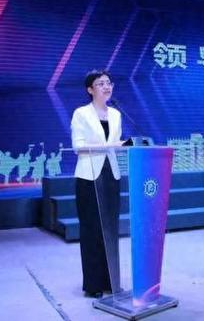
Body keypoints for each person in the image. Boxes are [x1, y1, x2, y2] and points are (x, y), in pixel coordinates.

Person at [71, 70, 123, 298]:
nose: (106, 87)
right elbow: (78, 146)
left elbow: (115, 143)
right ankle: (93, 284)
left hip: (111, 175)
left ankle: (110, 280)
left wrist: (126, 144)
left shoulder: (116, 114)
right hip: (89, 176)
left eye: (108, 83)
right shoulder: (81, 113)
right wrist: (108, 146)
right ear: (90, 89)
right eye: (100, 84)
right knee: (91, 229)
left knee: (110, 229)